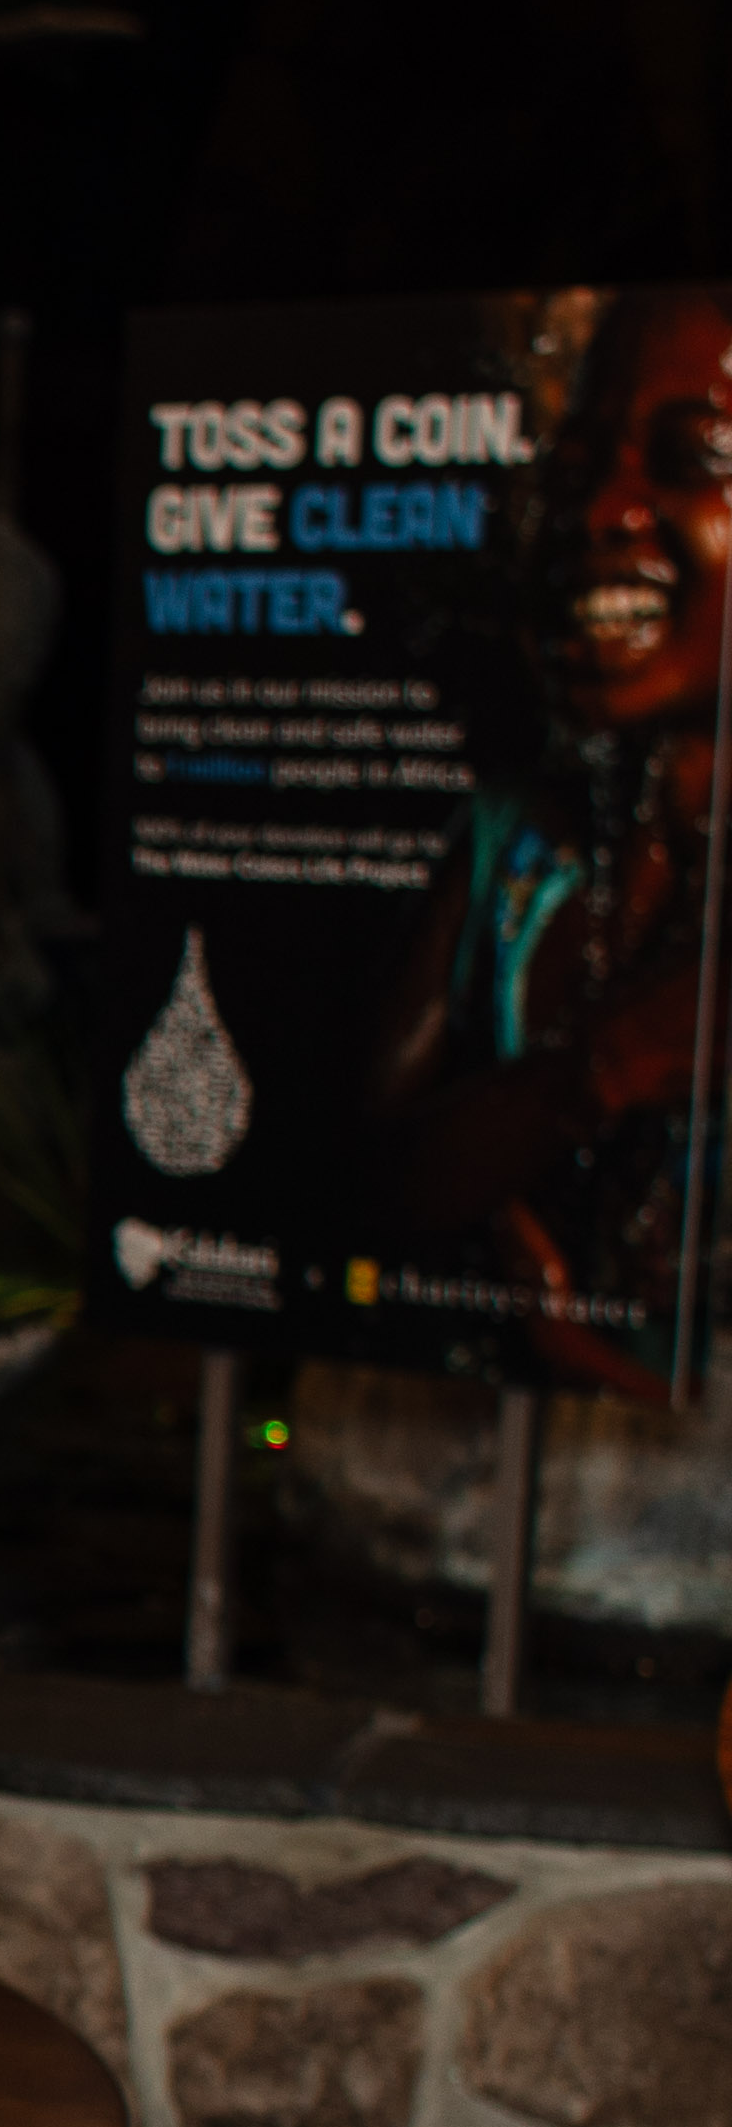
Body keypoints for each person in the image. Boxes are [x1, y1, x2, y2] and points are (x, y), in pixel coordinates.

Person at [376, 284, 732, 1382]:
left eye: (695, 457)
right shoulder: (514, 845)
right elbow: (367, 1185)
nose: (602, 514)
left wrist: (589, 1367)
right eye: (575, 474)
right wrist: (610, 1062)